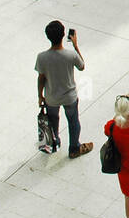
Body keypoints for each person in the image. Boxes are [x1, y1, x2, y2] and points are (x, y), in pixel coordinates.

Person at [35, 21, 91, 159]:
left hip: (51, 98)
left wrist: (40, 96)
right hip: (69, 97)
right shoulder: (70, 55)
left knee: (53, 121)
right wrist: (76, 45)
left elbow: (41, 78)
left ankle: (54, 143)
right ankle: (74, 148)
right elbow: (82, 66)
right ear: (63, 35)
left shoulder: (42, 57)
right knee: (73, 121)